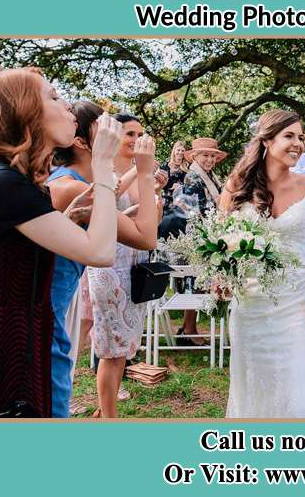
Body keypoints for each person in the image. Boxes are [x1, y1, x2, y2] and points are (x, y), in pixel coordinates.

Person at [0, 67, 118, 417]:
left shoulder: (6, 181)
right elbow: (101, 251)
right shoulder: (2, 182)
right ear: (23, 111)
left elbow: (11, 257)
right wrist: (104, 164)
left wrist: (64, 220)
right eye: (53, 96)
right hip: (3, 351)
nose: (67, 108)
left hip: (12, 340)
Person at [219, 109, 305, 418]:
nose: (298, 143)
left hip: (299, 300)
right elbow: (219, 238)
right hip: (250, 303)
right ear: (267, 141)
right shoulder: (236, 186)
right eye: (289, 136)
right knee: (255, 385)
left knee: (298, 387)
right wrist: (221, 275)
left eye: (300, 137)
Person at [46, 101, 159, 417]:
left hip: (60, 301)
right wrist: (146, 172)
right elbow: (146, 236)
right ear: (81, 142)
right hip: (52, 307)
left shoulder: (77, 183)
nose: (115, 131)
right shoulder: (70, 188)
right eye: (105, 126)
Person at [86, 113, 158, 419]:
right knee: (110, 349)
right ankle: (109, 417)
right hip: (108, 265)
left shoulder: (138, 173)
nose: (136, 140)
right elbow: (105, 201)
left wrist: (155, 193)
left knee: (123, 349)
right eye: (130, 134)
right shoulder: (101, 170)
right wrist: (142, 172)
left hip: (135, 265)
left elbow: (148, 223)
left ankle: (106, 413)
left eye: (140, 134)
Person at [175, 137, 228, 346]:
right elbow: (189, 210)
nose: (209, 159)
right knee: (196, 282)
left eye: (212, 156)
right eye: (205, 155)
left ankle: (189, 328)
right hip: (197, 234)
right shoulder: (192, 178)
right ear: (195, 156)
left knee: (201, 283)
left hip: (210, 232)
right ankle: (189, 330)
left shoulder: (210, 175)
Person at [160, 140, 188, 214]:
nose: (180, 152)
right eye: (178, 150)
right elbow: (159, 183)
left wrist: (181, 186)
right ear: (174, 151)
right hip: (167, 198)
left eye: (183, 150)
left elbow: (191, 184)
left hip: (182, 200)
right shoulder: (165, 166)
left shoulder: (187, 167)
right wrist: (171, 186)